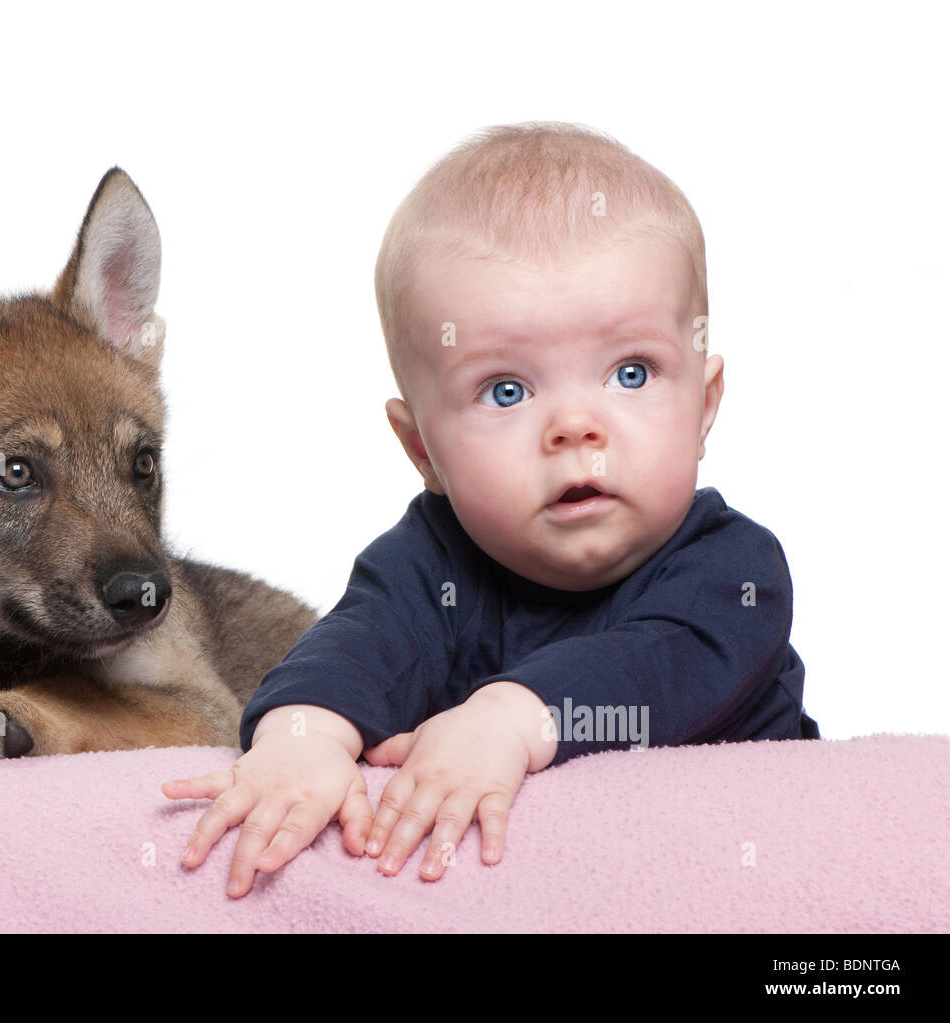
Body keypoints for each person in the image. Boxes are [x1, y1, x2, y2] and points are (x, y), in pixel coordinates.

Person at [162, 121, 818, 899]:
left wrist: (511, 717)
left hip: (743, 888)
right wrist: (303, 732)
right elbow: (361, 643)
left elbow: (654, 667)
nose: (576, 426)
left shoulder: (735, 573)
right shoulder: (429, 564)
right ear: (423, 450)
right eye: (507, 389)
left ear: (704, 405)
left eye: (632, 372)